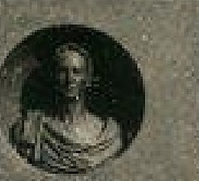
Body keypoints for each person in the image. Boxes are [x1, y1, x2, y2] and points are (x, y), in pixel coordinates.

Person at [11, 42, 124, 173]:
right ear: (54, 76)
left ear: (87, 78)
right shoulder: (30, 128)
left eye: (76, 72)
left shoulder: (108, 137)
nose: (69, 79)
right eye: (62, 71)